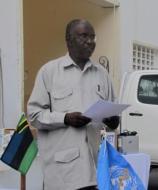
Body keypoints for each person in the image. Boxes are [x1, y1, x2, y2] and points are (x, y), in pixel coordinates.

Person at [27, 19, 119, 190]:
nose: (90, 41)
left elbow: (113, 119)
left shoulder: (102, 74)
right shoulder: (49, 72)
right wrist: (65, 119)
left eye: (93, 37)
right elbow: (34, 115)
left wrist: (112, 120)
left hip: (97, 171)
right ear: (68, 40)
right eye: (84, 36)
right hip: (63, 174)